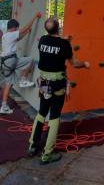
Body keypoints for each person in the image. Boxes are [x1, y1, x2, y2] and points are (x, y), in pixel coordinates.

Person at [28, 17, 90, 165]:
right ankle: (47, 154)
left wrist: (65, 40)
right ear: (59, 28)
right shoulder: (64, 44)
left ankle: (33, 145)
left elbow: (54, 44)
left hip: (44, 82)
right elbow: (74, 64)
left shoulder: (42, 40)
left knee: (42, 112)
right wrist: (85, 64)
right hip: (58, 84)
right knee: (55, 116)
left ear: (47, 30)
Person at [0, 13, 41, 114]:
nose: (17, 29)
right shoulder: (11, 34)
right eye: (17, 28)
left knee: (8, 84)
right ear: (14, 28)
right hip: (11, 61)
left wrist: (27, 33)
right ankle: (23, 80)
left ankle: (3, 106)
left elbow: (19, 38)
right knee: (29, 60)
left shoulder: (6, 35)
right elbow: (25, 27)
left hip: (5, 63)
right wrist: (35, 17)